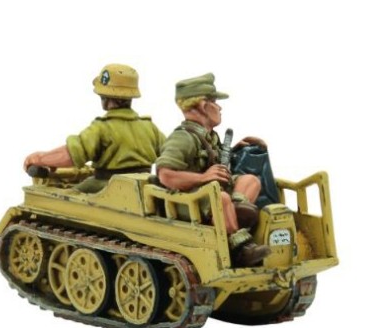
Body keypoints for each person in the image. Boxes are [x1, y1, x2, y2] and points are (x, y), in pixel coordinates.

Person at [156, 73, 270, 267]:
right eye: (215, 102)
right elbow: (165, 175)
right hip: (188, 199)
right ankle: (239, 247)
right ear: (203, 105)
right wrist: (202, 178)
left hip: (209, 192)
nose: (219, 107)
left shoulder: (209, 136)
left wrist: (235, 149)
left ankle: (235, 211)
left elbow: (212, 158)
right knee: (221, 198)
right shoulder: (183, 138)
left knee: (250, 180)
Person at [23, 64, 166, 193]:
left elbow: (71, 154)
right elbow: (169, 155)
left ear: (104, 97)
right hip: (142, 188)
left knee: (67, 196)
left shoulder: (102, 128)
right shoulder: (149, 127)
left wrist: (40, 158)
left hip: (106, 187)